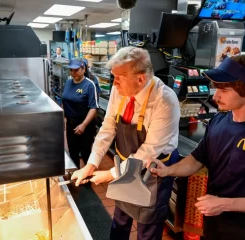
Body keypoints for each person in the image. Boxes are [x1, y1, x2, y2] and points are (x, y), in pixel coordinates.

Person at [149, 55, 245, 240]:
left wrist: (225, 204)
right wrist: (168, 170)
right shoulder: (218, 121)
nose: (215, 96)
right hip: (213, 220)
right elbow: (198, 158)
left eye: (224, 89)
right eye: (215, 87)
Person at [71, 47, 180, 240]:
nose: (114, 83)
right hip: (123, 164)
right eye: (113, 76)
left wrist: (110, 175)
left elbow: (148, 152)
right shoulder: (118, 89)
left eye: (119, 77)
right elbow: (108, 126)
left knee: (147, 226)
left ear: (141, 78)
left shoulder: (165, 100)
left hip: (153, 171)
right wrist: (92, 164)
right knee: (120, 219)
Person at [62, 58, 99, 168]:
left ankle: (88, 180)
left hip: (85, 125)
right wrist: (63, 118)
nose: (73, 73)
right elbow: (65, 100)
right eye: (71, 70)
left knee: (86, 154)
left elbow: (94, 108)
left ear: (84, 69)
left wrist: (83, 125)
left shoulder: (89, 85)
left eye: (76, 70)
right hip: (70, 124)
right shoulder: (68, 82)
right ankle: (76, 178)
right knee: (72, 152)